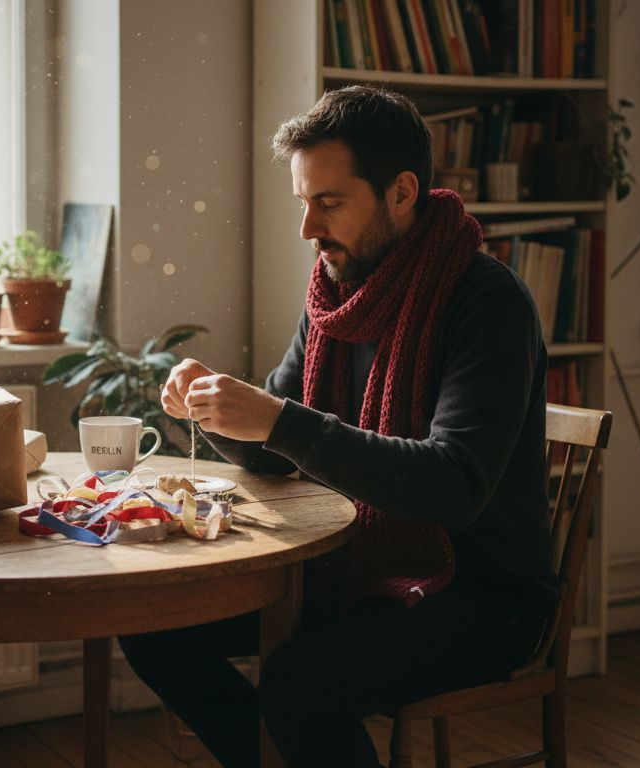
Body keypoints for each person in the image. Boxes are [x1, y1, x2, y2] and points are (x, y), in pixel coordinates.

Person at [118, 85, 556, 768]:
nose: (307, 228)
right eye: (303, 202)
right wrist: (222, 405)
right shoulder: (337, 295)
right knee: (150, 626)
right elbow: (274, 451)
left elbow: (454, 486)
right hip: (354, 568)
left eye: (329, 202)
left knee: (300, 684)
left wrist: (279, 420)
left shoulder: (488, 302)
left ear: (402, 192)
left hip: (481, 594)